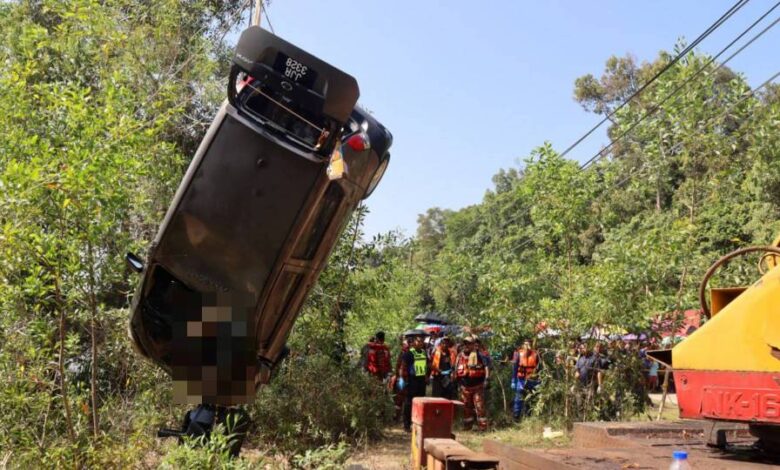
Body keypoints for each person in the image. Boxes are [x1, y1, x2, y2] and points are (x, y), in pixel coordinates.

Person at [455, 335, 489, 431]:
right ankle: (467, 427)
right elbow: (456, 369)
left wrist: (487, 379)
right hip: (465, 387)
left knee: (479, 406)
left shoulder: (480, 355)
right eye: (465, 343)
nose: (466, 345)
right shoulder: (460, 356)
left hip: (477, 386)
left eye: (469, 343)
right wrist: (456, 381)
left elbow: (486, 367)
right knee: (466, 407)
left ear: (473, 345)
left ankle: (483, 427)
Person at [400, 329, 430, 432]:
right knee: (409, 403)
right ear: (413, 342)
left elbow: (427, 366)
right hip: (411, 381)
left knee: (420, 402)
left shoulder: (424, 353)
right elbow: (403, 368)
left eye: (422, 341)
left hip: (421, 381)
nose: (420, 343)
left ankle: (418, 423)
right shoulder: (408, 354)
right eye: (418, 341)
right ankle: (406, 424)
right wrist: (404, 380)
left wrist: (427, 377)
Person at [511, 339, 540, 420]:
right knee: (519, 399)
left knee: (531, 399)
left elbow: (539, 369)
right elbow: (515, 367)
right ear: (523, 345)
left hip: (532, 380)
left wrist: (539, 381)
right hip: (521, 380)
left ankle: (529, 417)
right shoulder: (518, 354)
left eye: (529, 344)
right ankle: (516, 418)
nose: (527, 346)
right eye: (525, 344)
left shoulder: (535, 354)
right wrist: (513, 380)